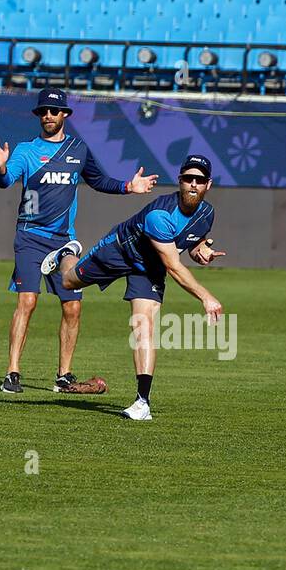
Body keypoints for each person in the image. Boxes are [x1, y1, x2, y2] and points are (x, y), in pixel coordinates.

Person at [0, 88, 158, 395]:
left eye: (53, 110)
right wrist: (0, 167)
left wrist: (130, 185)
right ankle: (12, 372)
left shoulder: (78, 149)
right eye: (43, 111)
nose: (48, 116)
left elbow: (100, 181)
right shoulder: (26, 151)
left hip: (64, 242)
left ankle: (64, 375)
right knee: (27, 301)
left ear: (65, 114)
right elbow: (5, 181)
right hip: (30, 237)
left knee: (73, 308)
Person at [42, 155, 224, 421]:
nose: (193, 185)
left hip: (148, 269)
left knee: (144, 326)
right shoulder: (160, 216)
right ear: (180, 181)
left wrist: (200, 252)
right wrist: (206, 297)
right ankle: (67, 252)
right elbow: (174, 266)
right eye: (188, 179)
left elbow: (191, 243)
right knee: (69, 280)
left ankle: (142, 402)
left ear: (208, 184)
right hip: (119, 250)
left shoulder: (207, 214)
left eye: (199, 180)